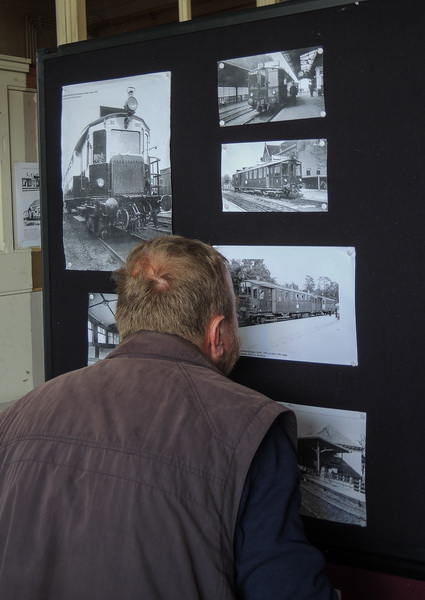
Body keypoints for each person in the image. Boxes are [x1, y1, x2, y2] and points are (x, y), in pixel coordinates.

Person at [0, 235, 337, 600]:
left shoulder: (18, 414)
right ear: (217, 333)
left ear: (126, 317)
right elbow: (283, 588)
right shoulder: (251, 426)